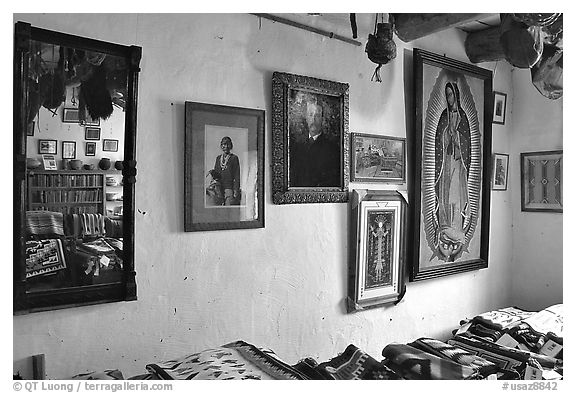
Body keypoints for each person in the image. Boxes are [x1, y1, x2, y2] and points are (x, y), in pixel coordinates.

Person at [433, 82, 472, 261]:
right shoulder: (443, 116)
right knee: (445, 195)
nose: (449, 98)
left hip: (457, 162)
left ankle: (456, 227)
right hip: (446, 162)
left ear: (457, 95)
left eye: (451, 94)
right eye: (447, 95)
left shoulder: (463, 117)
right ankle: (444, 224)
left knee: (455, 196)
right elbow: (438, 140)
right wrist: (446, 135)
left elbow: (467, 143)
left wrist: (456, 136)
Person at [289, 100, 340, 187]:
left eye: (317, 116)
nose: (313, 119)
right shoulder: (296, 146)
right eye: (311, 115)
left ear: (322, 119)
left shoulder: (332, 148)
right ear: (306, 118)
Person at [213, 136, 240, 205]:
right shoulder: (218, 158)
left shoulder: (234, 158)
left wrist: (236, 190)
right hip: (219, 187)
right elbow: (215, 174)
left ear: (231, 146)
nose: (226, 146)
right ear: (221, 146)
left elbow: (237, 176)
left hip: (229, 187)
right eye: (224, 144)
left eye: (228, 144)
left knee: (229, 205)